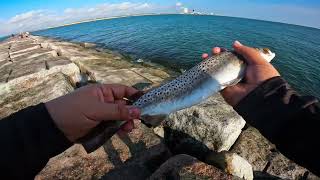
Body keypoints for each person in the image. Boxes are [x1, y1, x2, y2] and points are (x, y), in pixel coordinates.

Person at [0, 41, 319, 179]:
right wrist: (272, 96)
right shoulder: (242, 64)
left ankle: (95, 132)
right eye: (265, 53)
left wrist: (49, 122)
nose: (268, 55)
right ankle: (98, 132)